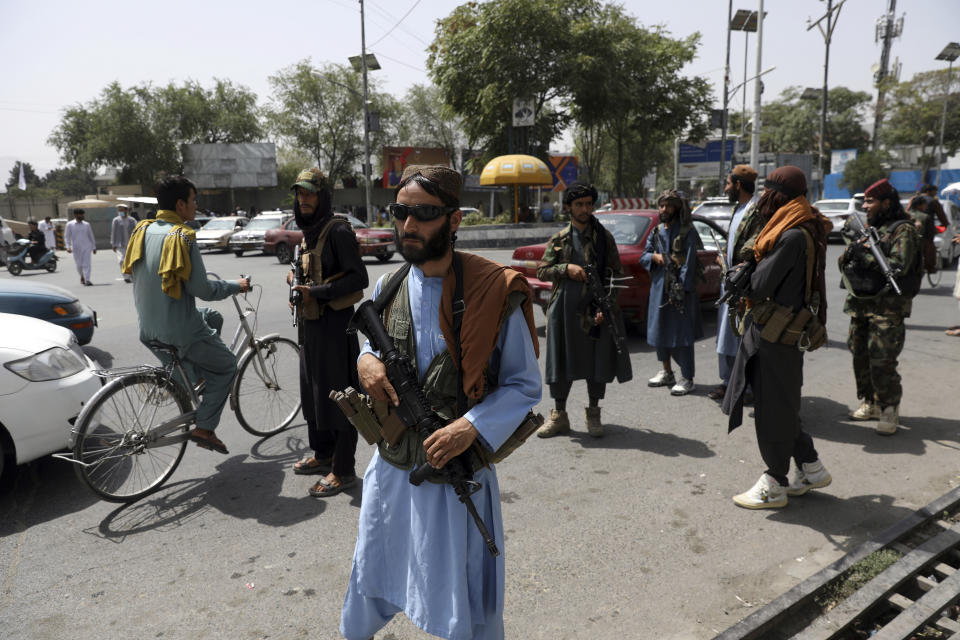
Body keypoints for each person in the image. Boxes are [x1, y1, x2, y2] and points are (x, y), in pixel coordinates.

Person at [341, 165, 541, 640]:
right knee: (375, 571)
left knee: (461, 600)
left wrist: (469, 426)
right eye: (401, 212)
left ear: (454, 221)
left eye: (424, 214)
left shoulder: (493, 292)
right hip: (392, 470)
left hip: (453, 478)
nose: (408, 225)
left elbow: (524, 386)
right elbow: (370, 343)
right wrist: (366, 361)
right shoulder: (387, 287)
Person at [722, 166, 833, 509]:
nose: (762, 202)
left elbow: (759, 285)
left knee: (773, 408)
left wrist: (741, 274)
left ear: (778, 196)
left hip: (775, 331)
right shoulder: (802, 226)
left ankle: (775, 482)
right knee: (783, 404)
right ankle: (811, 467)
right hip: (783, 331)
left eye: (767, 195)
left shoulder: (791, 235)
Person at [122, 176, 250, 454]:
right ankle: (205, 426)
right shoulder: (182, 236)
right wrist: (234, 286)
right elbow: (202, 289)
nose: (196, 206)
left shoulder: (142, 230)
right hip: (179, 330)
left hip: (148, 329)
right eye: (193, 201)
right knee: (228, 365)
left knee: (212, 317)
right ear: (181, 205)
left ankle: (194, 377)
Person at [286, 168, 369, 497]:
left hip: (335, 328)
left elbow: (357, 279)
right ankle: (323, 455)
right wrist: (295, 286)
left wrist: (315, 293)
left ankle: (344, 470)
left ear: (323, 196)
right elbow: (308, 270)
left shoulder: (337, 231)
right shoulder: (310, 230)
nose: (303, 199)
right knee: (313, 394)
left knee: (339, 399)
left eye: (309, 193)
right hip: (312, 326)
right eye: (299, 194)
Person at [535, 181, 632, 439]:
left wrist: (607, 308)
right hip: (564, 311)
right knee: (560, 363)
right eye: (579, 204)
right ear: (569, 207)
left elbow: (616, 275)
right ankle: (559, 416)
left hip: (595, 312)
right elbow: (542, 270)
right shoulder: (559, 239)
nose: (585, 209)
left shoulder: (604, 238)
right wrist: (566, 269)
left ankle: (594, 413)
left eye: (589, 204)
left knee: (596, 362)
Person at [840, 178, 922, 435]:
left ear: (886, 203)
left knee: (882, 359)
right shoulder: (865, 227)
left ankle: (889, 408)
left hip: (888, 307)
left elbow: (899, 265)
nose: (865, 206)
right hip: (861, 304)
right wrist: (855, 250)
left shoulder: (903, 230)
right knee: (860, 355)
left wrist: (866, 255)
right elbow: (844, 261)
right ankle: (870, 402)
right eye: (864, 201)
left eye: (870, 201)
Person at [640, 190, 704, 396]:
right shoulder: (657, 231)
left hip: (680, 291)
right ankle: (667, 372)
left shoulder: (688, 232)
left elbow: (691, 263)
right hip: (659, 288)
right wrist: (655, 257)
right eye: (661, 205)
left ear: (677, 207)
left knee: (682, 335)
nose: (664, 209)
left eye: (668, 205)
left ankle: (688, 378)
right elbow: (644, 256)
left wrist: (682, 290)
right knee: (660, 332)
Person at [711, 165, 760, 401]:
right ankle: (727, 381)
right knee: (726, 335)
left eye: (729, 184)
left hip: (742, 286)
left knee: (742, 336)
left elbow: (755, 252)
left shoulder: (755, 210)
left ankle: (745, 385)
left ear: (738, 185)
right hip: (728, 283)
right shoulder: (738, 209)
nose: (726, 188)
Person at [64, 208, 96, 285]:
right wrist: (68, 246)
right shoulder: (70, 224)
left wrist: (94, 247)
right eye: (80, 214)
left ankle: (87, 280)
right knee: (79, 265)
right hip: (76, 248)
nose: (82, 216)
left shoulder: (87, 224)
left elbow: (91, 236)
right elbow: (67, 236)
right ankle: (82, 275)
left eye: (82, 214)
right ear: (75, 215)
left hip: (87, 247)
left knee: (87, 264)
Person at [111, 203, 136, 283]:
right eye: (119, 210)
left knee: (131, 260)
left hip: (130, 244)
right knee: (121, 260)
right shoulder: (116, 220)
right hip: (120, 244)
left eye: (122, 210)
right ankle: (126, 276)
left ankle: (131, 274)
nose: (120, 211)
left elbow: (136, 231)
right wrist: (113, 244)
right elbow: (113, 232)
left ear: (126, 210)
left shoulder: (132, 220)